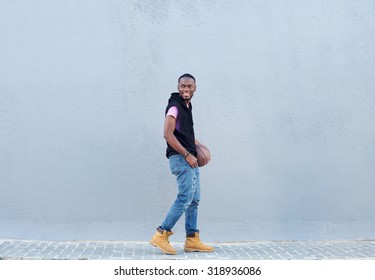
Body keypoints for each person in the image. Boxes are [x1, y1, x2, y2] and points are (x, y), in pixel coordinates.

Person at [150, 73, 214, 255]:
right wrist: (187, 154)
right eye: (183, 86)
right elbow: (168, 135)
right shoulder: (174, 107)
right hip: (181, 158)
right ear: (178, 87)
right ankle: (161, 234)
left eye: (189, 86)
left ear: (195, 88)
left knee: (194, 200)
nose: (186, 89)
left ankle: (192, 239)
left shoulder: (187, 106)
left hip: (190, 157)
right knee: (185, 197)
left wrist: (198, 145)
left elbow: (184, 135)